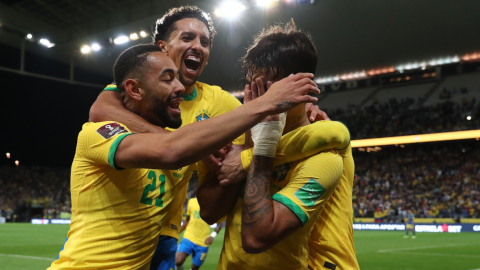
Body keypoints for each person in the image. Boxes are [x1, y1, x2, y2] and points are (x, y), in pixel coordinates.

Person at [88, 6, 328, 270]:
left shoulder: (220, 104)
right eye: (187, 38)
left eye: (205, 42)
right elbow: (100, 110)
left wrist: (305, 113)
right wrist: (190, 145)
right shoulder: (138, 88)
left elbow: (213, 208)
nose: (198, 47)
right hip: (107, 233)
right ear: (163, 47)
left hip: (163, 235)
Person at [197, 22, 358, 270]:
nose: (254, 95)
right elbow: (208, 212)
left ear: (300, 85)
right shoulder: (242, 136)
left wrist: (252, 155)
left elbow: (256, 237)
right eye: (250, 84)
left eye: (265, 87)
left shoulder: (326, 154)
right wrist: (252, 141)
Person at [175, 196, 223, 270]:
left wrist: (212, 236)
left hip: (203, 242)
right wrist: (177, 233)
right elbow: (187, 220)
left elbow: (219, 224)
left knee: (194, 268)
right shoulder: (191, 201)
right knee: (178, 261)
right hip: (189, 237)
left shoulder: (213, 204)